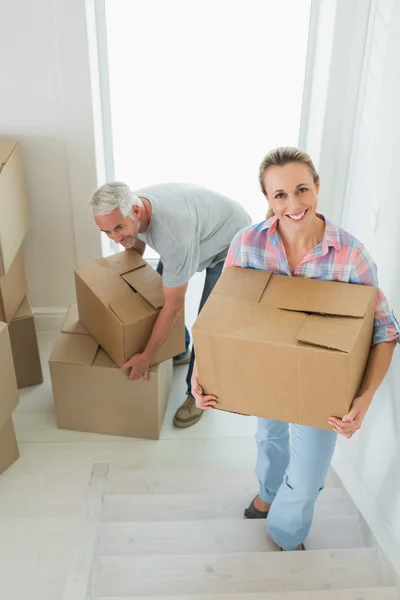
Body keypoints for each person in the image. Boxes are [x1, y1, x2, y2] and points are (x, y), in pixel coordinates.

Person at [191, 147, 398, 550]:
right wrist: (203, 375)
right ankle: (268, 493)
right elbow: (221, 318)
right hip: (266, 370)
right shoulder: (248, 244)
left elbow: (385, 331)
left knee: (307, 477)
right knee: (269, 435)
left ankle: (285, 533)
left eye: (302, 190)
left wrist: (365, 397)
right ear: (268, 200)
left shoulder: (350, 256)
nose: (293, 204)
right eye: (280, 195)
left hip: (323, 384)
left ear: (317, 188)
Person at [89, 182, 251, 428]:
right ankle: (180, 349)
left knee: (207, 325)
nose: (116, 238)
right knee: (156, 291)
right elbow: (136, 242)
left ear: (136, 211)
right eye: (107, 232)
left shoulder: (173, 238)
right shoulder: (131, 209)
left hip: (232, 242)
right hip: (200, 228)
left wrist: (147, 356)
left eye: (118, 228)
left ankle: (197, 395)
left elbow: (174, 307)